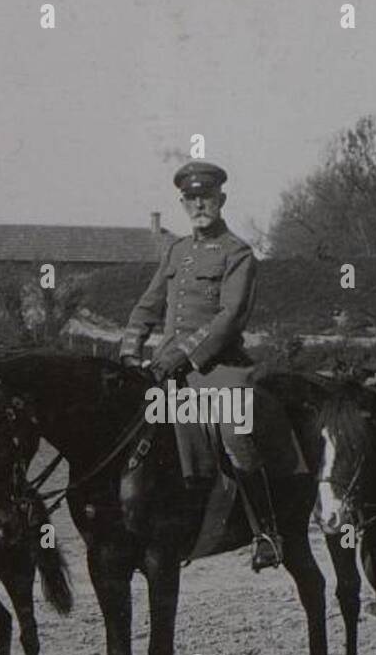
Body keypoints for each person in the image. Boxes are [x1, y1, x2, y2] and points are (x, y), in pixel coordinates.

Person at [120, 161, 284, 571]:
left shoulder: (237, 252)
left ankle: (265, 530)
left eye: (206, 197)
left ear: (221, 200)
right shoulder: (176, 251)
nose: (199, 205)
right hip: (165, 366)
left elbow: (230, 317)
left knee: (234, 433)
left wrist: (185, 354)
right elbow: (149, 303)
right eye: (191, 199)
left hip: (218, 368)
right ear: (183, 202)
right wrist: (130, 347)